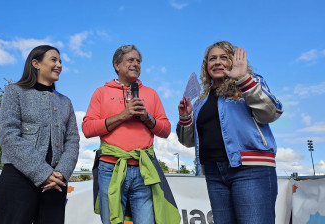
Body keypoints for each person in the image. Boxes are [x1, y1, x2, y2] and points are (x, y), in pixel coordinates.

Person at [177, 41, 283, 224]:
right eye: (212, 59)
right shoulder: (200, 101)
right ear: (206, 65)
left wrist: (243, 79)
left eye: (223, 57)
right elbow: (188, 141)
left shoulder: (250, 83)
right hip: (214, 173)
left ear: (234, 61)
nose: (217, 62)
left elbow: (272, 112)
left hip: (251, 170)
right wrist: (186, 118)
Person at [82, 45, 180, 224]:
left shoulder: (151, 94)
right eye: (131, 60)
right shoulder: (101, 93)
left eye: (139, 61)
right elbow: (87, 129)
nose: (136, 64)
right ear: (117, 65)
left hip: (144, 170)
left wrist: (147, 118)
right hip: (110, 169)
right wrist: (122, 116)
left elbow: (165, 130)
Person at [0, 45, 80, 224]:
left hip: (55, 184)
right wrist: (42, 173)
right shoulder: (15, 92)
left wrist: (61, 173)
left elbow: (72, 140)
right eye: (53, 60)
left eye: (60, 61)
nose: (59, 65)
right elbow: (8, 135)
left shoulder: (66, 102)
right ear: (36, 63)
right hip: (17, 180)